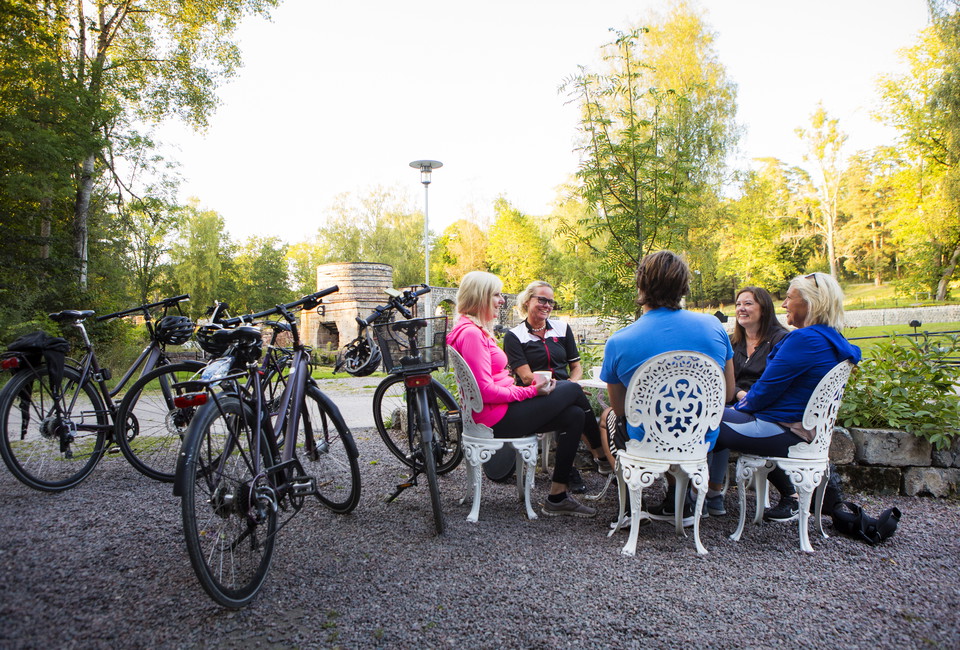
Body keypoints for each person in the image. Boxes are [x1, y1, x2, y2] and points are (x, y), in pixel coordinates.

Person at [446, 271, 608, 518]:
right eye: (497, 295)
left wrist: (523, 391)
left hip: (498, 411)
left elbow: (490, 385)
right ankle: (603, 456)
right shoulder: (471, 334)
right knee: (573, 389)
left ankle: (558, 496)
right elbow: (485, 391)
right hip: (496, 418)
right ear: (481, 297)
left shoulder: (471, 329)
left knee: (575, 415)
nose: (501, 301)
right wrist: (528, 392)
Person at [598, 250, 735, 526]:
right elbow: (728, 393)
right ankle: (678, 500)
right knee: (679, 416)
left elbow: (620, 409)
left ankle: (628, 503)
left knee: (607, 419)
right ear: (683, 286)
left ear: (641, 286)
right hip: (700, 437)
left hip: (648, 438)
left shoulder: (620, 341)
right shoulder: (713, 327)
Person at [712, 272, 861, 522]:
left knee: (698, 417)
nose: (784, 304)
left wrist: (741, 405)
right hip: (802, 430)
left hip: (781, 432)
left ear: (811, 302)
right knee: (711, 415)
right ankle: (701, 497)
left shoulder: (804, 340)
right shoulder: (832, 338)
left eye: (790, 298)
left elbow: (762, 394)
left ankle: (685, 500)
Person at [503, 281, 612, 492]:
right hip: (533, 397)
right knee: (571, 398)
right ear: (527, 302)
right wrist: (569, 389)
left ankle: (565, 475)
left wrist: (570, 385)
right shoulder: (514, 336)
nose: (547, 305)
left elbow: (576, 367)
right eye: (542, 300)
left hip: (564, 392)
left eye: (551, 301)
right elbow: (526, 378)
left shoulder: (562, 328)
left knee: (574, 412)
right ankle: (601, 456)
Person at [704, 286, 789, 516]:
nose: (741, 308)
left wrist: (739, 395)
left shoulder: (780, 341)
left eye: (748, 303)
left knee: (717, 420)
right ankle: (709, 494)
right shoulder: (734, 343)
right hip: (736, 403)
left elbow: (775, 383)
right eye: (739, 304)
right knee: (713, 416)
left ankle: (709, 494)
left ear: (764, 308)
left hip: (765, 409)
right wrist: (740, 394)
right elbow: (723, 379)